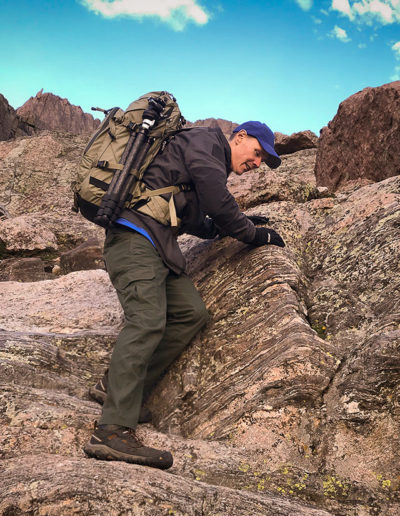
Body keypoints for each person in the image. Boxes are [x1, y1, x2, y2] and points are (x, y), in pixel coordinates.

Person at [84, 120, 285, 469]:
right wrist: (251, 233)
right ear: (239, 136)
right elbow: (215, 197)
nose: (256, 163)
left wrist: (226, 228)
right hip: (133, 239)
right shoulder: (205, 141)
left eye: (262, 161)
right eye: (257, 153)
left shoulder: (206, 162)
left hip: (158, 246)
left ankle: (113, 388)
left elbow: (196, 219)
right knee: (147, 320)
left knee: (191, 312)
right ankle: (111, 431)